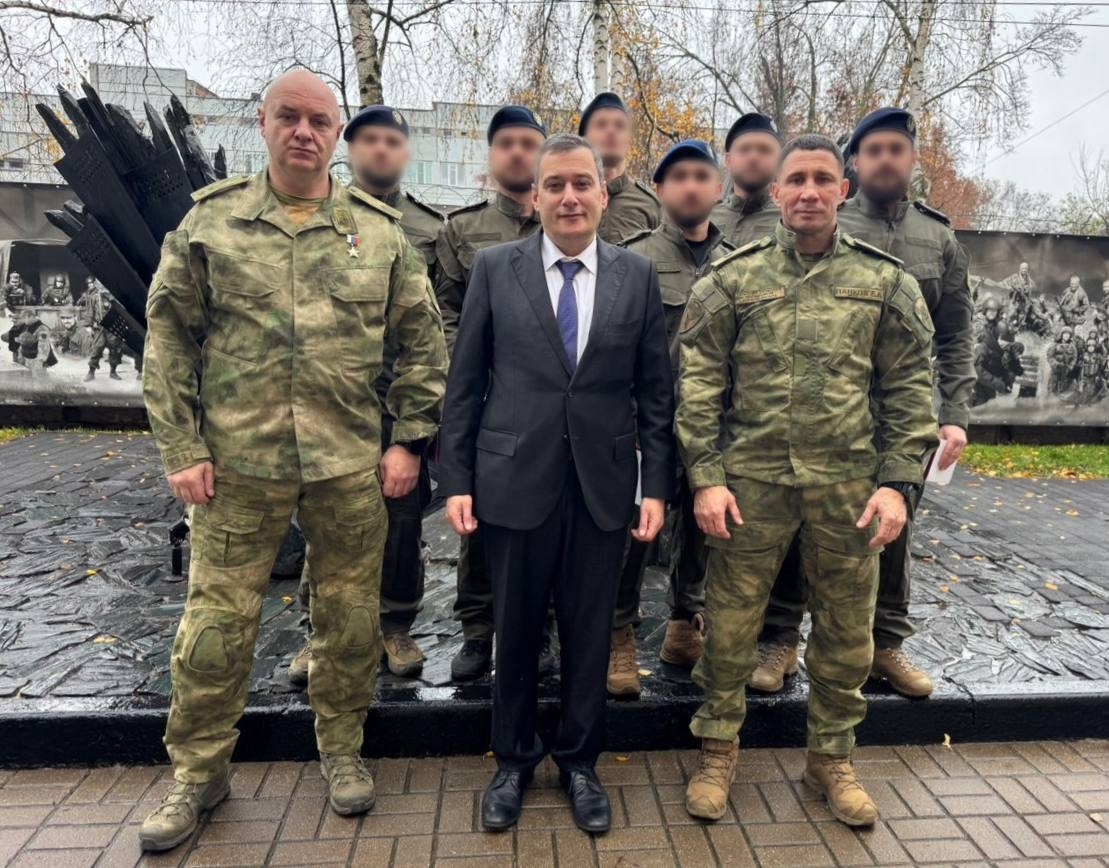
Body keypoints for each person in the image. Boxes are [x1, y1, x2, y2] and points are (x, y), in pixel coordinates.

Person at [137, 70, 447, 852]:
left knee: (349, 620)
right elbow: (168, 334)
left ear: (336, 133)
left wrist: (407, 439)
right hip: (237, 465)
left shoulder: (378, 233)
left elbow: (422, 341)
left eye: (318, 120)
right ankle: (199, 775)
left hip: (346, 464)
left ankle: (341, 750)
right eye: (289, 117)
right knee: (215, 627)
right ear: (264, 124)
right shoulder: (213, 223)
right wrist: (181, 445)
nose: (304, 132)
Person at [677, 134, 937, 827]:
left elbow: (911, 390)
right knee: (730, 628)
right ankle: (717, 751)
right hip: (750, 485)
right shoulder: (732, 279)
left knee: (847, 634)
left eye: (823, 179)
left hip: (847, 486)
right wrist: (705, 478)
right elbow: (698, 385)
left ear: (843, 190)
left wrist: (897, 485)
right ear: (777, 190)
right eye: (796, 179)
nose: (809, 192)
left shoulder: (885, 282)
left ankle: (831, 759)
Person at [438, 134, 674, 834]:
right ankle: (512, 762)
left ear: (603, 194)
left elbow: (655, 394)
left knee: (589, 634)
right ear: (534, 197)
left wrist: (655, 487)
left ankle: (579, 762)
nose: (569, 197)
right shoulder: (494, 268)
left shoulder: (637, 276)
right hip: (512, 480)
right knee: (513, 631)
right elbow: (465, 381)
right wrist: (457, 478)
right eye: (555, 186)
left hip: (602, 487)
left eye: (581, 184)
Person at [753, 107, 974, 699]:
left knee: (892, 529)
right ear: (853, 165)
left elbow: (956, 334)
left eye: (896, 148)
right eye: (873, 149)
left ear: (912, 159)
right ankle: (781, 638)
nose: (885, 159)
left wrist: (953, 414)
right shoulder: (825, 221)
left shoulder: (939, 238)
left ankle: (885, 643)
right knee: (799, 522)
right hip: (828, 411)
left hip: (902, 415)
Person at [288, 104, 445, 682]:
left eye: (392, 141)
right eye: (369, 139)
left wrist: (420, 426)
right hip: (332, 401)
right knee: (324, 520)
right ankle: (319, 630)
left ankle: (395, 625)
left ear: (406, 153)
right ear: (350, 150)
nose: (381, 149)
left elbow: (435, 328)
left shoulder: (432, 230)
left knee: (402, 520)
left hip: (401, 401)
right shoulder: (317, 216)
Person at [609, 140, 732, 697]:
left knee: (704, 530)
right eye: (677, 176)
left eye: (701, 175)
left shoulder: (739, 262)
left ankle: (685, 623)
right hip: (647, 423)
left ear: (718, 189)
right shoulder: (630, 260)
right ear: (659, 190)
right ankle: (619, 635)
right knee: (636, 530)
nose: (690, 185)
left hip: (715, 425)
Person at [434, 105, 547, 682]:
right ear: (492, 154)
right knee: (477, 515)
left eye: (529, 142)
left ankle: (539, 632)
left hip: (548, 403)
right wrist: (471, 367)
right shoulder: (462, 230)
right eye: (507, 143)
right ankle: (478, 631)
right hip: (486, 399)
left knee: (546, 515)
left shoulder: (567, 226)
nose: (518, 152)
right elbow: (445, 311)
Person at [578, 92, 661, 243]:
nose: (611, 131)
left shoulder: (649, 205)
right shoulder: (568, 196)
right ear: (582, 140)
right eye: (601, 125)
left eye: (620, 126)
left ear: (629, 142)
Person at [711, 113, 782, 246]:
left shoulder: (789, 222)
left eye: (764, 150)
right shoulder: (705, 219)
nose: (753, 157)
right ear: (728, 160)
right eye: (744, 149)